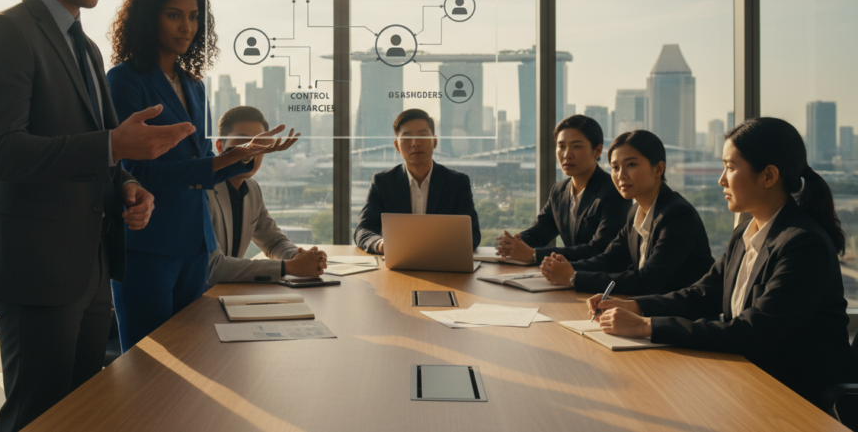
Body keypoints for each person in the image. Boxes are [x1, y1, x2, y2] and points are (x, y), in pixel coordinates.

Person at [0, 0, 197, 432]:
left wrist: (131, 187)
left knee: (84, 416)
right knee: (40, 417)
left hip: (90, 266)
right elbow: (2, 153)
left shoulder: (85, 48)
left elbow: (104, 151)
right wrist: (114, 148)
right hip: (35, 268)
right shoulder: (6, 33)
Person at [589, 118, 850, 410]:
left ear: (768, 176)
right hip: (747, 381)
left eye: (730, 167)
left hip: (796, 399)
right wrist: (634, 307)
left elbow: (752, 332)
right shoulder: (745, 233)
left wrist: (646, 326)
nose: (721, 180)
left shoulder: (803, 245)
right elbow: (701, 295)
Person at [107, 0, 298, 353]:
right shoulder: (124, 80)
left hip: (196, 245)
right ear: (148, 18)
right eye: (174, 15)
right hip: (149, 246)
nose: (187, 27)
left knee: (194, 357)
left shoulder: (193, 84)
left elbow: (201, 166)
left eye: (194, 17)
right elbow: (139, 171)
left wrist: (247, 155)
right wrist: (226, 158)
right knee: (147, 365)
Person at [540, 130, 713, 295]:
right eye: (615, 167)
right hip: (646, 312)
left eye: (631, 165)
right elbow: (611, 259)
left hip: (682, 320)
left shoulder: (678, 215)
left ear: (658, 169)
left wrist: (573, 277)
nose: (621, 175)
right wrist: (566, 266)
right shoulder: (635, 211)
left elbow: (646, 281)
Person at [206, 106, 327, 285]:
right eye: (243, 142)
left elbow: (274, 242)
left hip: (230, 295)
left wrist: (298, 256)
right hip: (197, 303)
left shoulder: (252, 188)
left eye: (260, 144)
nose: (252, 150)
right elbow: (213, 268)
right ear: (219, 145)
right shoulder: (203, 191)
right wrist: (289, 267)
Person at [495, 115, 630, 265]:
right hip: (566, 277)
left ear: (597, 151)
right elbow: (540, 231)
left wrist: (534, 255)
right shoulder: (559, 190)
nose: (567, 155)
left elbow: (600, 249)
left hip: (599, 281)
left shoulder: (614, 191)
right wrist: (512, 243)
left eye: (576, 146)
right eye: (561, 146)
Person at [354, 109, 481, 254]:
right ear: (397, 146)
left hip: (442, 265)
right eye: (407, 138)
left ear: (434, 142)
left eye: (422, 136)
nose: (415, 143)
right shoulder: (383, 183)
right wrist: (381, 244)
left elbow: (473, 235)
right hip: (397, 265)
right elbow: (363, 230)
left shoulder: (457, 183)